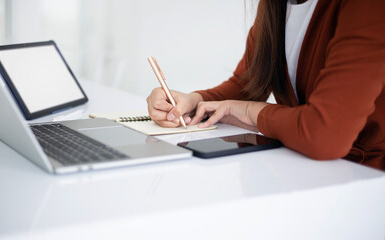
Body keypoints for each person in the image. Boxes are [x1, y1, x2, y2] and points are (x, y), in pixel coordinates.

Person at [146, 0, 385, 170]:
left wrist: (251, 112)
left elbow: (325, 136)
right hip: (307, 170)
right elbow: (247, 85)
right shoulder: (275, 6)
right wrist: (194, 101)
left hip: (367, 182)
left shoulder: (367, 7)